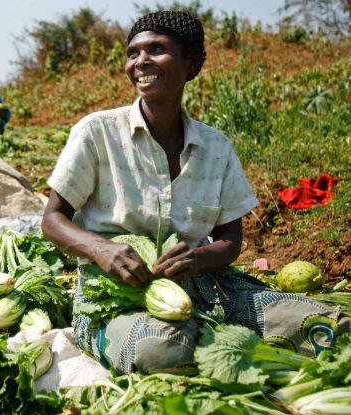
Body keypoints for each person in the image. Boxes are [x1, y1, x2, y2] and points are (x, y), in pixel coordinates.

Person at [41, 10, 351, 375]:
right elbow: (52, 219)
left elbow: (230, 240)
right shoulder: (98, 133)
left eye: (156, 49)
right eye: (133, 52)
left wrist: (198, 260)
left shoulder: (215, 147)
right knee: (164, 351)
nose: (141, 61)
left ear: (191, 62)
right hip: (112, 299)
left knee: (330, 326)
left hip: (206, 289)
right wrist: (101, 249)